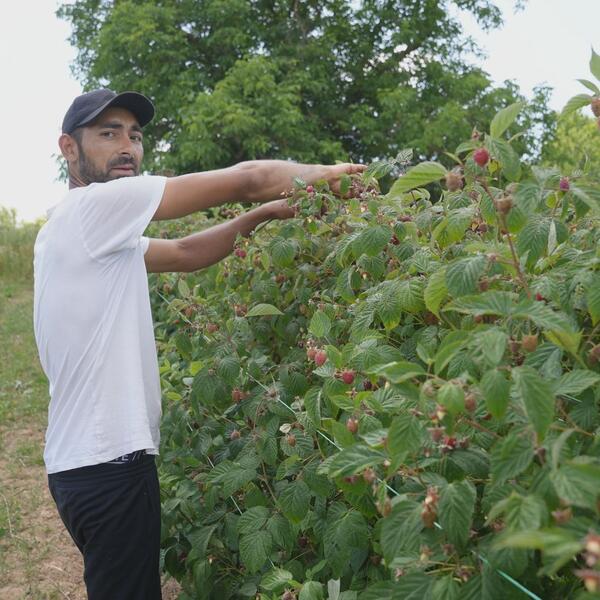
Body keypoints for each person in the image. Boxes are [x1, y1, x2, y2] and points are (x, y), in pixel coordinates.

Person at [32, 88, 365, 599]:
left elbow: (186, 252)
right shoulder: (97, 207)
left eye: (135, 135)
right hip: (107, 462)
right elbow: (248, 178)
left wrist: (265, 215)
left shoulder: (78, 227)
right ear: (68, 148)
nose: (127, 147)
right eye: (108, 133)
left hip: (84, 463)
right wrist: (324, 175)